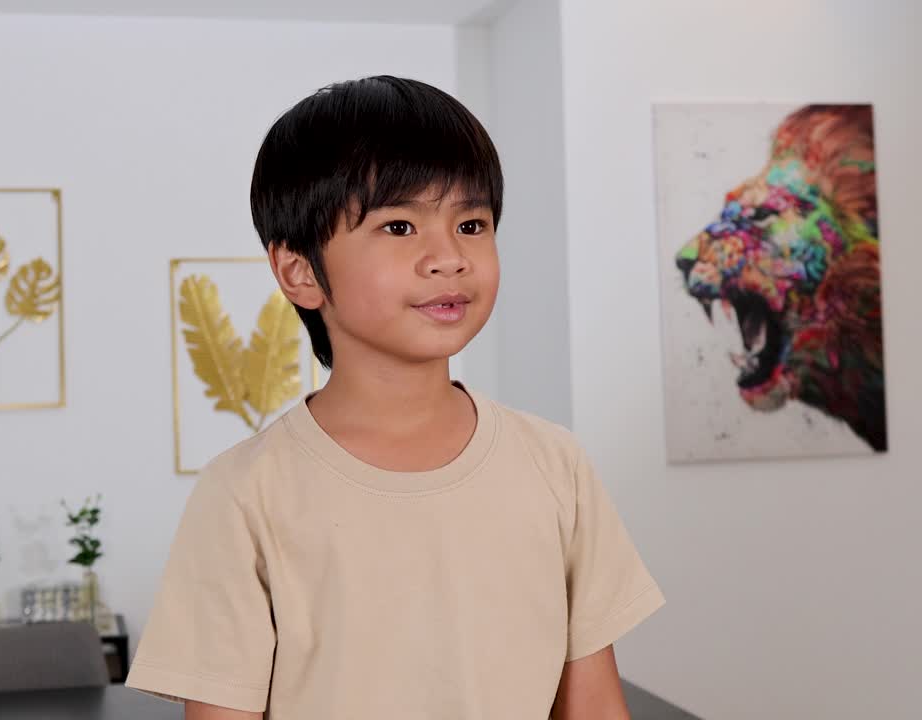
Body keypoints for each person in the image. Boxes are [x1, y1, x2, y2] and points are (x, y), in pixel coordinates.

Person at [125, 75, 664, 719]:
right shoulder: (245, 493)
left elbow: (595, 706)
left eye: (471, 223)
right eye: (401, 226)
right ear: (300, 272)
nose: (448, 257)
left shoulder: (556, 465)